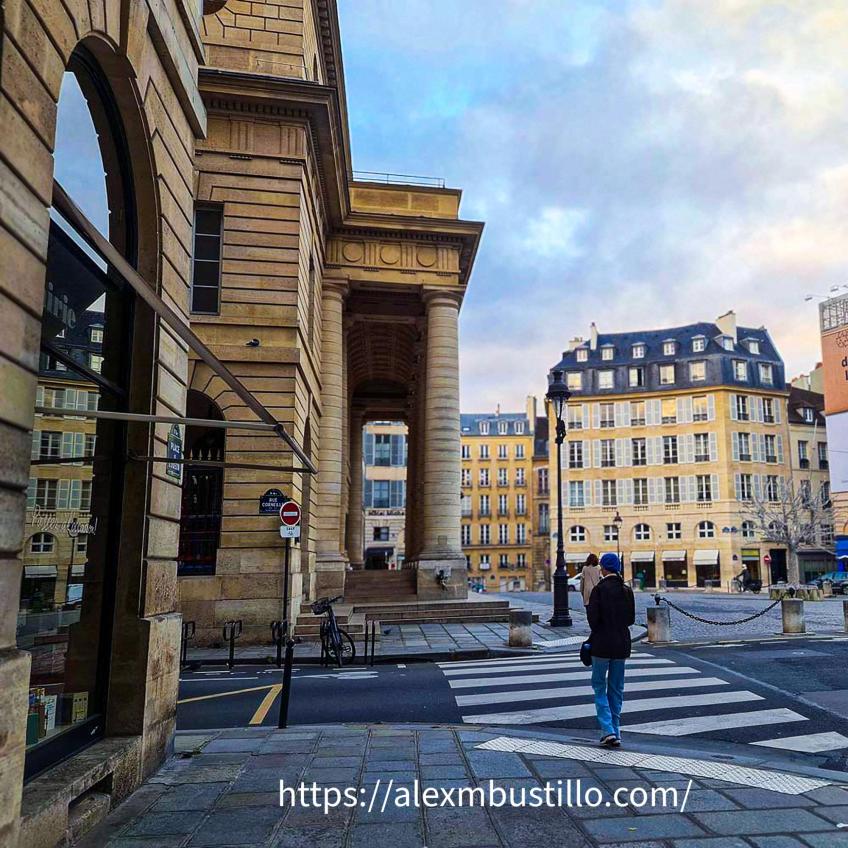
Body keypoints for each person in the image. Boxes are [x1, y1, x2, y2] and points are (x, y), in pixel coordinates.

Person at [587, 552, 635, 748]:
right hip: (621, 645)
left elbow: (593, 620)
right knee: (616, 688)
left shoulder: (598, 590)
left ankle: (607, 730)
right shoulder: (626, 590)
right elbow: (631, 619)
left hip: (601, 645)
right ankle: (616, 729)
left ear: (603, 569)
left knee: (599, 686)